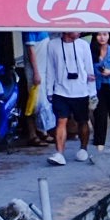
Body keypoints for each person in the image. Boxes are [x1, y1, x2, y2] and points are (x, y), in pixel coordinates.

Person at [44, 33, 97, 164]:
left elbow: (89, 69)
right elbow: (50, 68)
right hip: (60, 91)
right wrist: (49, 90)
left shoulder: (83, 45)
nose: (78, 32)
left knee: (83, 121)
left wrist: (92, 92)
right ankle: (59, 153)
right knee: (61, 121)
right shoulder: (53, 45)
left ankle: (83, 149)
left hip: (81, 91)